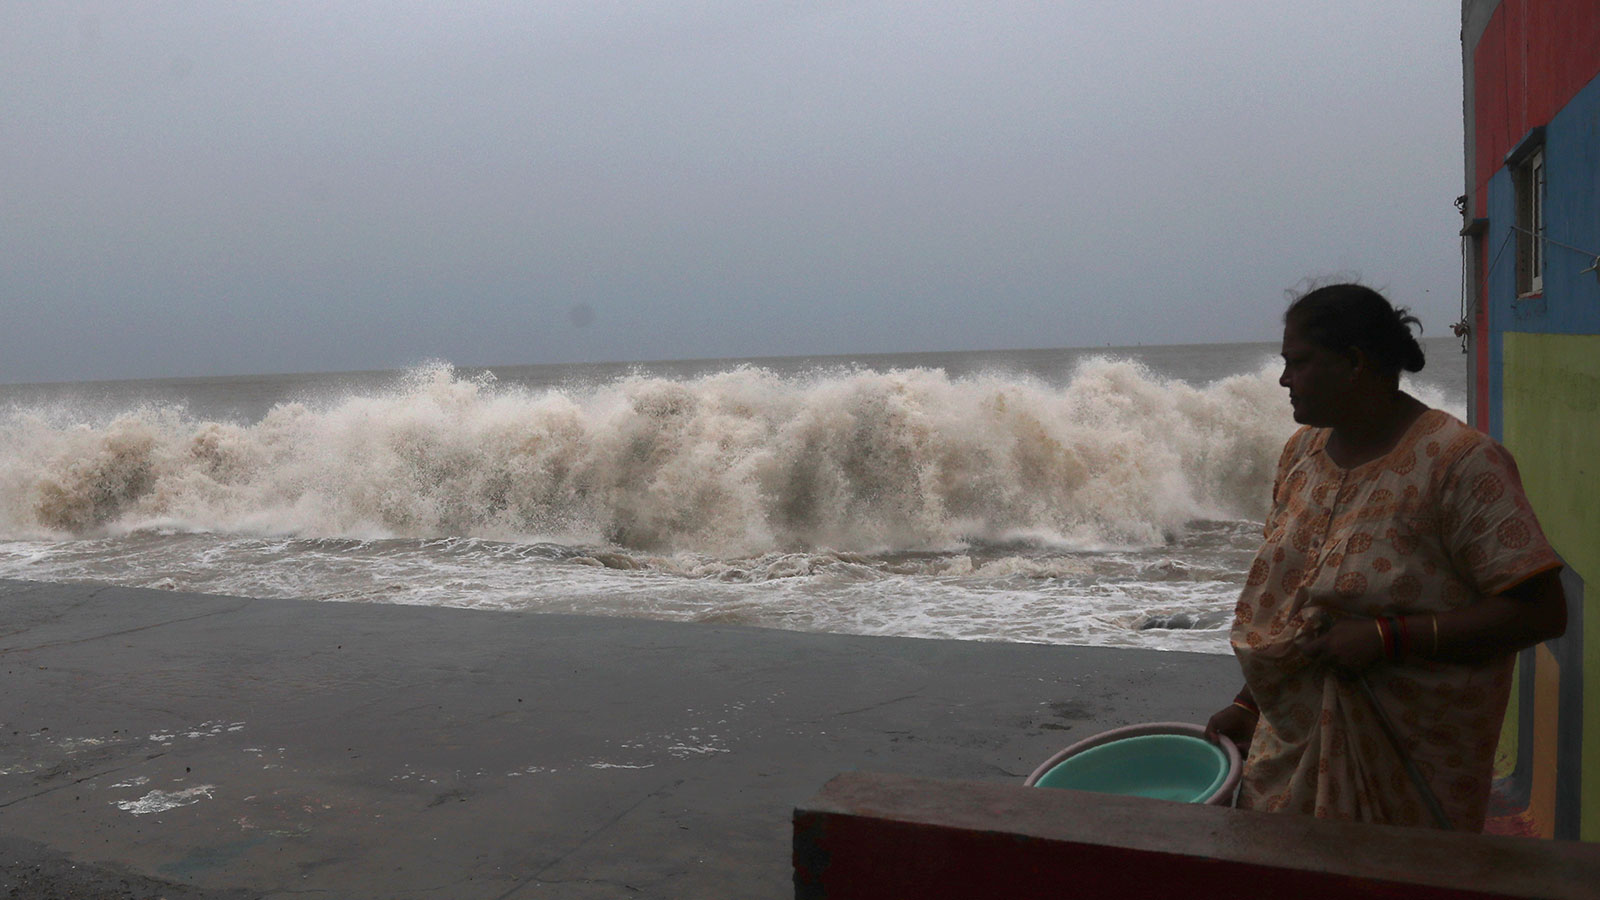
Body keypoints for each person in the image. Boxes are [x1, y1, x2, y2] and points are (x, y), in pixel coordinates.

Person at [1206, 283, 1566, 831]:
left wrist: (1385, 638)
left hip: (1407, 768)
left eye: (1298, 363)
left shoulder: (1460, 463)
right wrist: (1250, 704)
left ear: (1353, 363)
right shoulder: (1301, 454)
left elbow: (1541, 611)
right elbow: (1296, 607)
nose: (1283, 380)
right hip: (1287, 756)